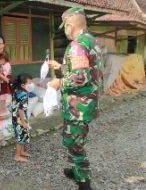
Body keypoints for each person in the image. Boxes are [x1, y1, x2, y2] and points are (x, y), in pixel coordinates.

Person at [49, 7, 103, 190]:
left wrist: (59, 83)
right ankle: (76, 170)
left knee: (74, 143)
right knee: (76, 139)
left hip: (78, 106)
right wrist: (61, 66)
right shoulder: (92, 41)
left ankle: (84, 182)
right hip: (88, 103)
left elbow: (80, 78)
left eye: (65, 26)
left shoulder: (76, 45)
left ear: (70, 24)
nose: (65, 30)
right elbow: (86, 70)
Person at [11, 73, 34, 162]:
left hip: (15, 117)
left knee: (22, 135)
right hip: (20, 118)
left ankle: (22, 151)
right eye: (30, 83)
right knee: (21, 136)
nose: (31, 85)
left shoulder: (17, 90)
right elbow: (21, 110)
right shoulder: (23, 94)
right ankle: (17, 155)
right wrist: (23, 122)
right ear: (23, 85)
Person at [0, 51, 12, 116]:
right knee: (2, 96)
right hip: (2, 83)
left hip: (6, 83)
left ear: (3, 59)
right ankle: (2, 109)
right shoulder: (2, 65)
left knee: (4, 96)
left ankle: (4, 109)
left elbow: (4, 74)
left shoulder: (7, 65)